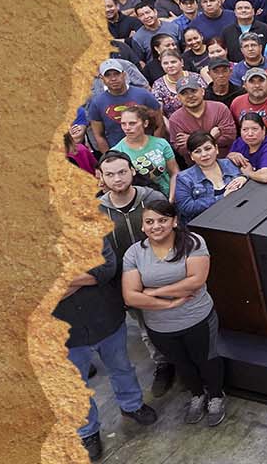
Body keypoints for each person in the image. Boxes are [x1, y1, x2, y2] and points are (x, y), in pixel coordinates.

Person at [121, 200, 228, 427]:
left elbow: (195, 282)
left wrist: (153, 292)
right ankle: (197, 394)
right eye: (150, 222)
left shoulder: (193, 242)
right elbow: (130, 297)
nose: (156, 226)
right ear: (142, 226)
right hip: (159, 326)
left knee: (207, 360)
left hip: (197, 319)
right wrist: (169, 304)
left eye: (163, 220)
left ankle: (216, 396)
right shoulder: (134, 253)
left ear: (175, 221)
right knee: (182, 364)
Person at [60, 233, 160, 461]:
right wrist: (84, 274)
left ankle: (132, 405)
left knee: (122, 367)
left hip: (106, 319)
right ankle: (88, 432)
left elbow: (106, 268)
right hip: (63, 333)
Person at [95, 152, 173, 394]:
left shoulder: (152, 198)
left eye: (122, 172)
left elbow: (173, 234)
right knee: (146, 328)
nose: (117, 178)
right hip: (127, 284)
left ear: (132, 171)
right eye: (110, 174)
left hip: (164, 275)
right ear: (101, 177)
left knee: (176, 317)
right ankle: (163, 365)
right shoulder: (96, 210)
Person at [88, 59, 167, 153]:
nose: (113, 79)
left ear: (124, 74)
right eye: (108, 75)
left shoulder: (144, 95)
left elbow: (159, 123)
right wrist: (109, 156)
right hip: (118, 152)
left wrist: (155, 148)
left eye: (116, 74)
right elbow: (98, 135)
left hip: (147, 149)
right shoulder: (97, 103)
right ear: (102, 79)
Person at [173, 132, 248, 224]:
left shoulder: (230, 163)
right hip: (206, 225)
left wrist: (244, 178)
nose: (204, 154)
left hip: (238, 217)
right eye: (197, 151)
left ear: (216, 149)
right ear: (191, 156)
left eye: (208, 149)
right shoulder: (184, 178)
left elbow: (250, 187)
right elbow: (186, 207)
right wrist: (221, 198)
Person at [112, 108, 179, 195]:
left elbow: (174, 172)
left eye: (132, 123)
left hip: (168, 193)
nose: (127, 128)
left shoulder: (161, 143)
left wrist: (172, 197)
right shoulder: (116, 152)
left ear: (145, 123)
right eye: (123, 124)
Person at [228, 112, 267, 184]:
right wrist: (232, 156)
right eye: (245, 129)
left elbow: (266, 177)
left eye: (254, 129)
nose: (250, 134)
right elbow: (227, 162)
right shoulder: (239, 142)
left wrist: (249, 173)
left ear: (263, 130)